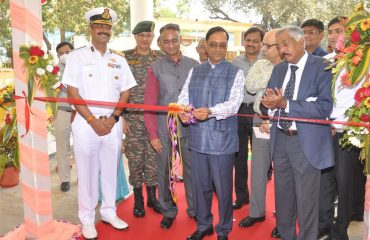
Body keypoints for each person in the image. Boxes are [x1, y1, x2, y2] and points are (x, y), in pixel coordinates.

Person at [62, 7, 137, 239]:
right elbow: (73, 92)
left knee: (110, 169)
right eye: (100, 26)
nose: (104, 30)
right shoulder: (77, 56)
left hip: (112, 124)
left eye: (107, 27)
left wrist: (114, 118)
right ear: (91, 29)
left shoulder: (119, 59)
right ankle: (86, 219)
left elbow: (125, 92)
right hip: (86, 124)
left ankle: (108, 212)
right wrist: (93, 120)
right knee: (86, 173)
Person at [261, 26, 333, 240]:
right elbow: (267, 104)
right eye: (279, 45)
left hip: (305, 143)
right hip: (280, 140)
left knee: (306, 203)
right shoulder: (279, 69)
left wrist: (286, 103)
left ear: (301, 41)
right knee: (283, 200)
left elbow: (324, 108)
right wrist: (270, 105)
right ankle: (286, 235)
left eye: (286, 44)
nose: (282, 50)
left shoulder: (322, 67)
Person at [178, 26, 245, 240]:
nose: (218, 49)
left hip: (222, 142)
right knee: (200, 187)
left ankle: (223, 229)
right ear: (205, 46)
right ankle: (204, 225)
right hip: (198, 139)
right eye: (213, 44)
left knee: (224, 190)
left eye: (222, 45)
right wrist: (182, 111)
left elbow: (234, 104)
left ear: (227, 47)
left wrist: (211, 112)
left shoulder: (236, 72)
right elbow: (183, 98)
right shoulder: (195, 70)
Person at [143, 23, 198, 229]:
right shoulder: (155, 67)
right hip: (163, 130)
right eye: (166, 41)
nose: (171, 44)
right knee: (164, 172)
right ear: (160, 43)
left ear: (180, 39)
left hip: (191, 128)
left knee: (194, 170)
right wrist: (153, 135)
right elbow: (149, 103)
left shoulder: (194, 65)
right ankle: (168, 211)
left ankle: (195, 209)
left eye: (174, 39)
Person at [318, 16, 366, 240]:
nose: (334, 35)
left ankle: (341, 230)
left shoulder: (363, 61)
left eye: (339, 30)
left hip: (347, 131)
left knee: (344, 183)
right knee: (325, 180)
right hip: (323, 129)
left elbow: (362, 99)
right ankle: (324, 224)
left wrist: (340, 123)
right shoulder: (324, 61)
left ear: (350, 33)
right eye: (331, 31)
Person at [239, 29, 282, 231]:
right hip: (260, 120)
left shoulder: (290, 66)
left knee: (283, 172)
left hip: (283, 123)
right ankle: (256, 212)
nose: (262, 48)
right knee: (257, 169)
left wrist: (270, 80)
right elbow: (250, 85)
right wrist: (272, 77)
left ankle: (284, 217)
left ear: (281, 45)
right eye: (262, 44)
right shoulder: (261, 63)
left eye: (267, 45)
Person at [123, 20, 164, 218]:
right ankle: (138, 198)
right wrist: (121, 117)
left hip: (154, 119)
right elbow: (119, 89)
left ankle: (152, 197)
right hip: (133, 119)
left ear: (152, 37)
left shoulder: (160, 58)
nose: (145, 39)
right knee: (135, 159)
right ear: (136, 37)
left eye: (148, 36)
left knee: (153, 159)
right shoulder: (125, 58)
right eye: (141, 36)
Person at [231, 26, 264, 210]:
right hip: (238, 112)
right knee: (239, 157)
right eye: (248, 40)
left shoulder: (267, 61)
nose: (251, 44)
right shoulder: (235, 62)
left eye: (255, 40)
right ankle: (241, 196)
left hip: (259, 113)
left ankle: (258, 201)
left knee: (260, 158)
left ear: (261, 43)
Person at [55, 41, 74, 192]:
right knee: (62, 147)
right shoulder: (53, 71)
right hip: (62, 111)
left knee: (82, 146)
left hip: (81, 113)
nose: (64, 56)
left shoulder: (83, 66)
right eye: (61, 54)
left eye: (67, 52)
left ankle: (84, 177)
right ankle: (65, 179)